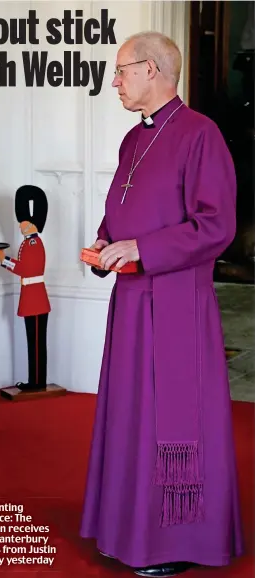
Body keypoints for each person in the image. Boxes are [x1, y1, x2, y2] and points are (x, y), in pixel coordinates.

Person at [79, 32, 244, 577]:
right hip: (130, 299)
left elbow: (215, 225)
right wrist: (107, 242)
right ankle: (129, 528)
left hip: (175, 303)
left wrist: (143, 249)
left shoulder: (202, 135)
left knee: (168, 424)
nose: (115, 81)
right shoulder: (134, 138)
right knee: (132, 418)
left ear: (151, 69)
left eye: (121, 70)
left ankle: (175, 541)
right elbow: (126, 208)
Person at [0, 185, 50, 390]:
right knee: (33, 342)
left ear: (33, 225)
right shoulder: (27, 243)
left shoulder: (34, 244)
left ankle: (38, 382)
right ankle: (34, 381)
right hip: (31, 297)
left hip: (36, 298)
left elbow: (26, 269)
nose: (20, 226)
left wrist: (3, 259)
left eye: (23, 223)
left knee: (37, 344)